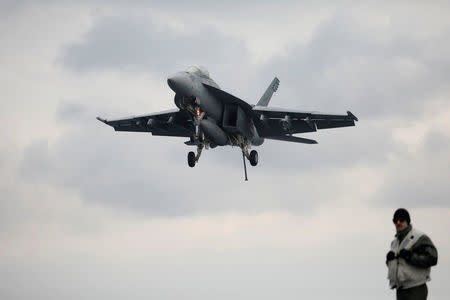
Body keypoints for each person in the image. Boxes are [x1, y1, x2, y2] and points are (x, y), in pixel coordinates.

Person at [386, 208, 438, 300]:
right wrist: (389, 261)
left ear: (408, 221)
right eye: (395, 220)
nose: (398, 222)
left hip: (416, 288)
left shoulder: (419, 237)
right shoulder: (394, 243)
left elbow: (433, 258)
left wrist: (410, 256)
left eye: (401, 219)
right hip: (400, 290)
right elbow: (399, 266)